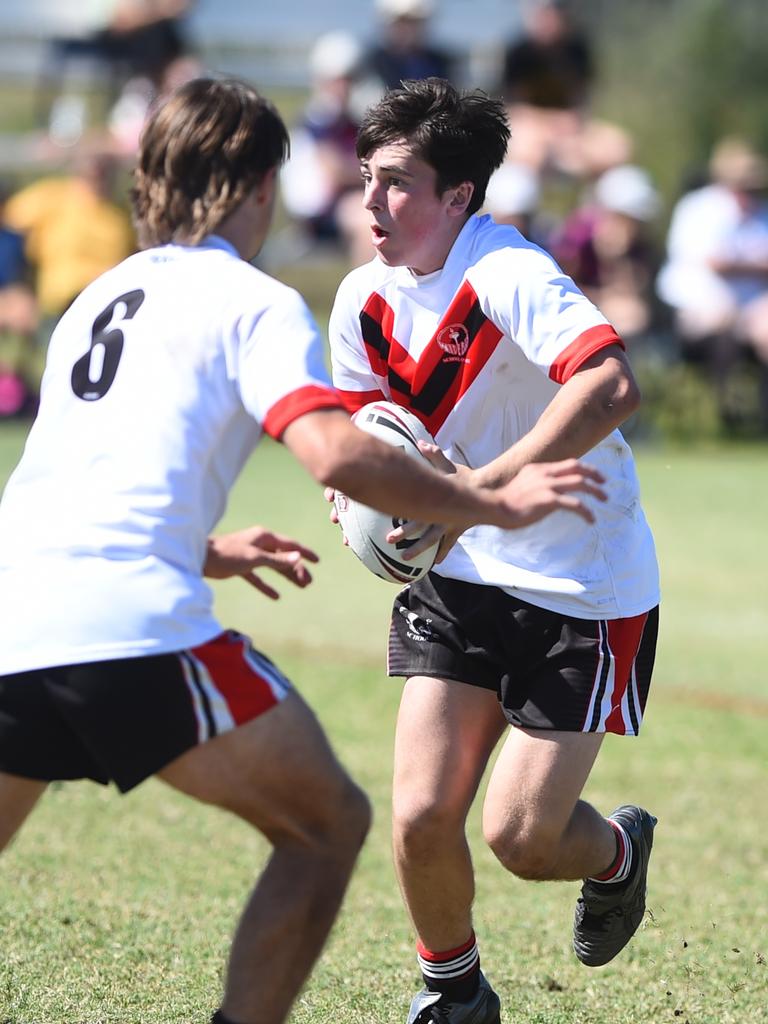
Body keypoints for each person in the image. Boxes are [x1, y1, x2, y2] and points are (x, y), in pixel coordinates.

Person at [0, 77, 606, 1024]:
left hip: (14, 619)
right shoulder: (253, 300)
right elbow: (333, 451)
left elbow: (66, 487)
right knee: (331, 824)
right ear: (250, 192)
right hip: (129, 629)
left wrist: (201, 549)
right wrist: (481, 498)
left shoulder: (95, 297)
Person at [327, 78, 660, 1024]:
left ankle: (619, 854)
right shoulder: (360, 299)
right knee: (422, 816)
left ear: (459, 196)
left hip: (584, 584)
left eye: (397, 183)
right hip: (460, 574)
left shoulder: (506, 271)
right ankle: (455, 993)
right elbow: (362, 426)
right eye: (366, 179)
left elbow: (609, 384)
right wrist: (349, 485)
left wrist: (480, 493)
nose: (371, 204)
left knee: (520, 837)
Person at [656, 137, 768, 431]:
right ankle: (727, 414)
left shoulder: (760, 214)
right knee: (721, 324)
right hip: (698, 308)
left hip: (747, 310)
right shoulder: (701, 209)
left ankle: (758, 417)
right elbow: (713, 262)